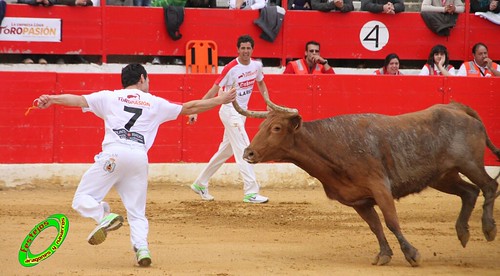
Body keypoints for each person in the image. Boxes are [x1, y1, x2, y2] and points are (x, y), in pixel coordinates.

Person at [34, 64, 236, 267]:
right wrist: (220, 100)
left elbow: (77, 100)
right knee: (137, 212)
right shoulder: (155, 102)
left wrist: (52, 99)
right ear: (141, 78)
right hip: (139, 158)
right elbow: (190, 107)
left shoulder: (109, 97)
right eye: (147, 79)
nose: (148, 83)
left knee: (81, 199)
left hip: (113, 155)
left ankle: (104, 216)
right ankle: (142, 248)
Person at [188, 35, 269, 204]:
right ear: (237, 49)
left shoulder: (257, 66)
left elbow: (261, 83)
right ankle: (251, 191)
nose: (245, 51)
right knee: (245, 148)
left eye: (248, 48)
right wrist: (196, 110)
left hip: (241, 114)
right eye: (243, 48)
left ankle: (200, 183)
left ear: (252, 50)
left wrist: (267, 101)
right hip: (229, 111)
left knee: (225, 151)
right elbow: (214, 89)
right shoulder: (231, 68)